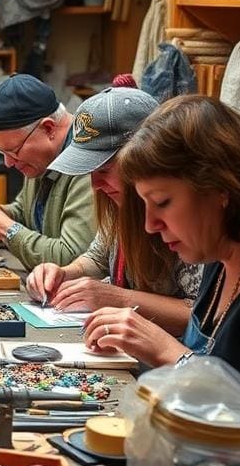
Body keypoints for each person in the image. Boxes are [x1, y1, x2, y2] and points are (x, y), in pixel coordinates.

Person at [81, 96, 240, 466]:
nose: (149, 225)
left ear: (221, 190)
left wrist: (170, 355)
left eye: (162, 203)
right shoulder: (224, 246)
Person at [26, 87, 201, 334]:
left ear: (146, 156)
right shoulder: (117, 204)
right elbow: (97, 257)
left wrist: (119, 299)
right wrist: (63, 274)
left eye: (105, 169)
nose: (95, 185)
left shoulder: (187, 219)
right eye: (90, 172)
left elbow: (204, 315)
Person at [0, 75, 95, 270]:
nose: (8, 163)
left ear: (48, 128)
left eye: (13, 151)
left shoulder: (89, 164)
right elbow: (28, 215)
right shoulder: (42, 157)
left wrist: (3, 228)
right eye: (2, 152)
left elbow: (71, 260)